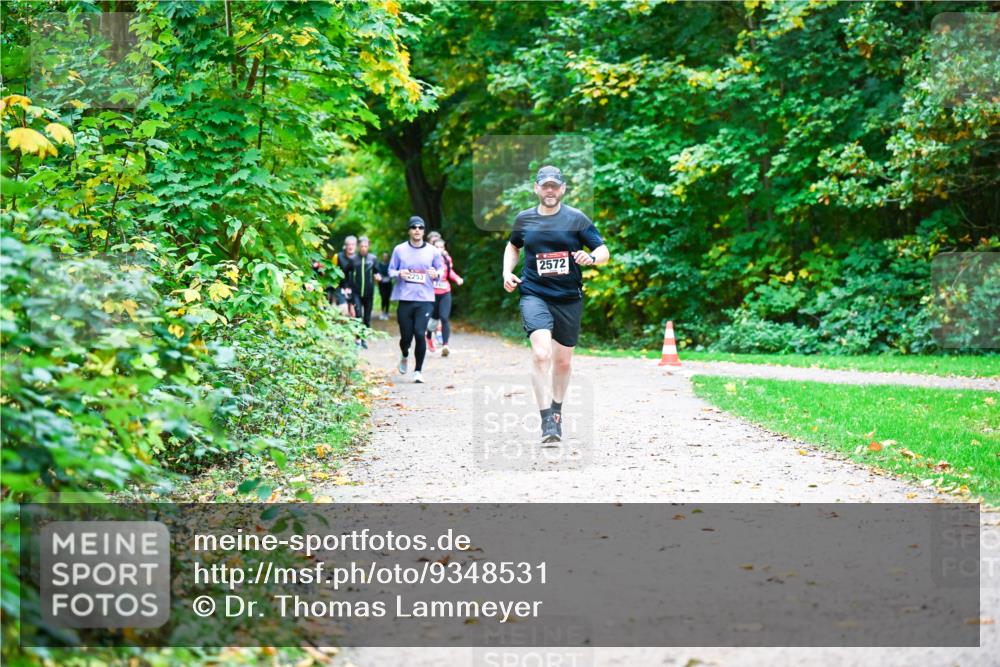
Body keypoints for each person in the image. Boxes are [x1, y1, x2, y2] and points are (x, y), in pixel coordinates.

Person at [501, 165, 610, 443]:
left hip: (568, 298)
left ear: (562, 189)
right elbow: (513, 246)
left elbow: (603, 250)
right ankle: (547, 420)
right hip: (534, 294)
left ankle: (557, 410)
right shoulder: (524, 219)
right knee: (541, 354)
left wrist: (592, 258)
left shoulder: (576, 219)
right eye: (545, 185)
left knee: (563, 362)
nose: (550, 190)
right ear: (536, 188)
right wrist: (507, 272)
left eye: (555, 186)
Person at [388, 216, 444, 383]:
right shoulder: (399, 250)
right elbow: (390, 271)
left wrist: (437, 274)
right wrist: (399, 273)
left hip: (425, 299)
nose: (417, 230)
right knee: (406, 337)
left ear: (424, 231)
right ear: (409, 230)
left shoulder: (433, 251)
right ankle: (405, 354)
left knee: (420, 333)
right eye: (413, 227)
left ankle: (418, 371)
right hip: (405, 298)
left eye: (420, 227)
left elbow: (441, 269)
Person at [426, 237, 463, 357]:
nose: (440, 249)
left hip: (445, 292)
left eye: (442, 247)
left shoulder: (447, 259)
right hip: (432, 293)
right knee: (433, 320)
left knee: (444, 317)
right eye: (437, 247)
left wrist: (457, 278)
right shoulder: (428, 259)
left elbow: (450, 272)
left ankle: (445, 345)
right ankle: (428, 335)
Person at [353, 236, 378, 340]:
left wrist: (378, 275)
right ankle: (358, 339)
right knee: (358, 316)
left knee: (367, 318)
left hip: (369, 293)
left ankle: (364, 338)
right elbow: (346, 272)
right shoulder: (353, 259)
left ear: (369, 247)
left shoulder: (373, 258)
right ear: (358, 246)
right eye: (362, 246)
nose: (363, 248)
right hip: (356, 293)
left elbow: (377, 271)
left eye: (366, 246)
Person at [333, 236, 359, 318]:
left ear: (356, 246)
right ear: (345, 246)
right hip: (340, 288)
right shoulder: (337, 256)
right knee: (343, 311)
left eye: (353, 244)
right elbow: (332, 274)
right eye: (348, 244)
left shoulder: (360, 258)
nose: (350, 247)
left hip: (355, 289)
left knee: (355, 313)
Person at [376, 251, 392, 320]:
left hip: (388, 283)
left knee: (387, 298)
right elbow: (378, 273)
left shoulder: (390, 265)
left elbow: (391, 273)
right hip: (382, 284)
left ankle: (387, 313)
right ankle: (382, 312)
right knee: (383, 298)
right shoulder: (380, 265)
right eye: (384, 256)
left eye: (386, 256)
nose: (385, 257)